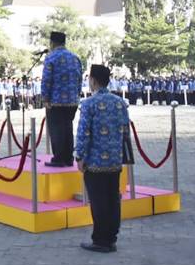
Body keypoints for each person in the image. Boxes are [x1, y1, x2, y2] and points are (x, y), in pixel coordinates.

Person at [75, 64, 129, 253]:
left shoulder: (88, 104)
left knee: (98, 201)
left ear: (93, 80)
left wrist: (79, 155)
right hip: (114, 160)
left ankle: (100, 239)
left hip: (95, 161)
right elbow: (126, 131)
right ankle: (111, 237)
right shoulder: (120, 102)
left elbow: (83, 132)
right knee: (113, 199)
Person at [41, 31, 83, 168]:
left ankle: (58, 158)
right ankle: (68, 158)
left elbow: (47, 79)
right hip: (72, 100)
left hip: (56, 100)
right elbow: (79, 79)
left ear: (52, 43)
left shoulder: (51, 58)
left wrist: (45, 98)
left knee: (57, 129)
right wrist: (77, 95)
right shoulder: (75, 58)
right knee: (68, 128)